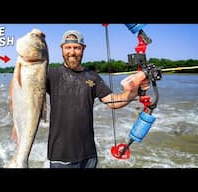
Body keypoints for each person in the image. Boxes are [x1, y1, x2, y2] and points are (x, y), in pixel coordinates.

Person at [10, 30, 150, 168]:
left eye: (76, 47)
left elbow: (113, 101)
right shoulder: (50, 74)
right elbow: (23, 91)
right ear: (61, 49)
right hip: (60, 156)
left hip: (89, 156)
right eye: (68, 47)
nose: (72, 52)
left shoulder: (92, 77)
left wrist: (134, 92)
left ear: (83, 49)